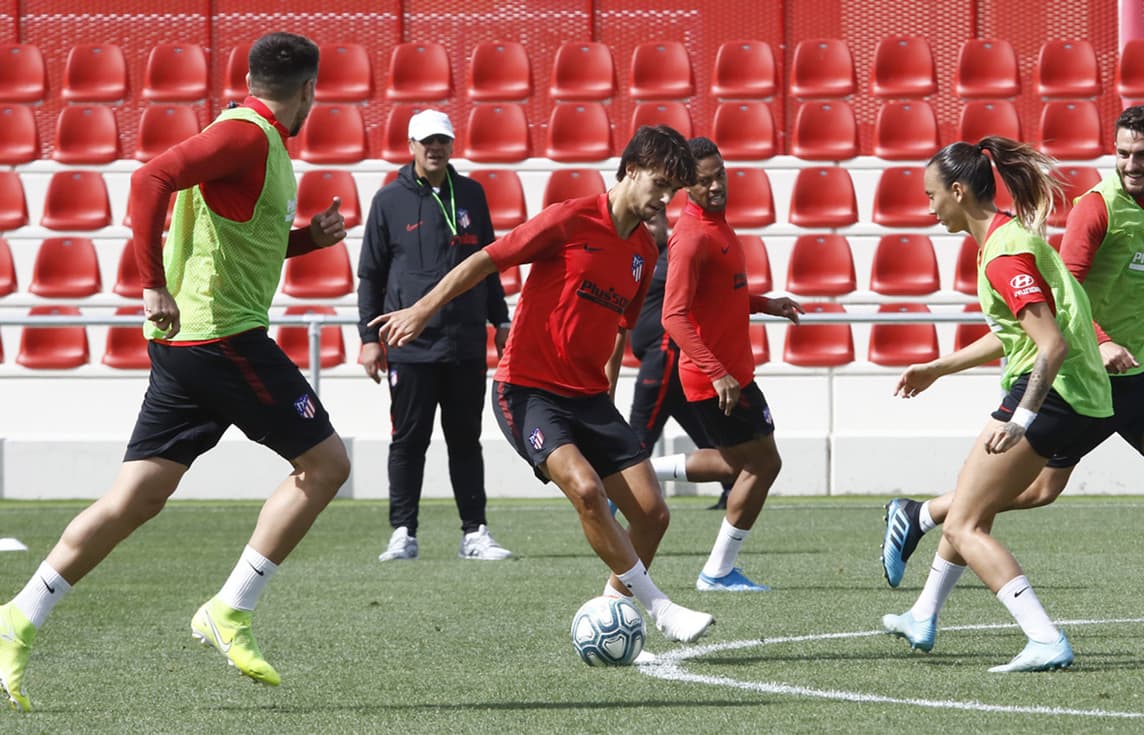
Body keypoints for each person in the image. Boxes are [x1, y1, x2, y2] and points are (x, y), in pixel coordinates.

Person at [0, 32, 350, 711]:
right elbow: (147, 178)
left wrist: (312, 239)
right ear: (308, 90)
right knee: (327, 463)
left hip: (194, 345)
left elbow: (242, 234)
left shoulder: (254, 141)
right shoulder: (249, 135)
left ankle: (17, 615)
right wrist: (150, 283)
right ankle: (231, 609)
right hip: (223, 340)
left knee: (135, 498)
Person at [880, 105, 1144, 636]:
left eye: (1141, 154)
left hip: (1131, 374)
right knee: (1013, 497)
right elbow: (1062, 297)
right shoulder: (1097, 208)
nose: (1130, 164)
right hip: (1084, 371)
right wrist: (1104, 340)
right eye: (1121, 153)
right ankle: (929, 534)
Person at [370, 125, 715, 644]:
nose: (666, 199)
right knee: (585, 488)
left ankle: (611, 614)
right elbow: (486, 259)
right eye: (661, 184)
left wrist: (609, 400)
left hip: (590, 398)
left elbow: (618, 334)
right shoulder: (571, 218)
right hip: (527, 390)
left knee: (653, 514)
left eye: (674, 192)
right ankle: (661, 608)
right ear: (631, 170)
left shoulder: (644, 252)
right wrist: (421, 309)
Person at [880, 136, 1114, 672]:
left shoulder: (1005, 255)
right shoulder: (1005, 239)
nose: (929, 207)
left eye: (931, 195)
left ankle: (1044, 638)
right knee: (969, 508)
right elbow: (1015, 334)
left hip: (1054, 393)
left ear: (959, 191)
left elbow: (1050, 345)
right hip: (1072, 394)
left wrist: (1022, 419)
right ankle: (922, 615)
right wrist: (938, 368)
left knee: (964, 526)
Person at [358, 109, 513, 563]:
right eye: (426, 141)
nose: (434, 148)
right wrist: (370, 337)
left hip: (465, 343)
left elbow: (488, 265)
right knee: (408, 441)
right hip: (409, 347)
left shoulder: (472, 194)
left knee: (466, 439)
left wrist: (499, 321)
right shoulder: (388, 201)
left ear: (452, 144)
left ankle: (475, 532)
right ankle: (403, 532)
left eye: (442, 140)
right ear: (410, 146)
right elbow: (370, 274)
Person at [648, 137, 802, 592]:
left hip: (733, 372)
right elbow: (672, 316)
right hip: (718, 378)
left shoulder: (717, 225)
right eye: (704, 180)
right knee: (763, 466)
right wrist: (716, 371)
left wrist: (766, 304)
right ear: (686, 187)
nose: (716, 185)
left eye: (720, 175)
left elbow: (722, 295)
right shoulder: (692, 237)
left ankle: (637, 468)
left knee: (739, 464)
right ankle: (717, 570)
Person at [627, 213, 734, 510]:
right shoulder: (644, 257)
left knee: (636, 438)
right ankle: (735, 484)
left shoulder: (669, 258)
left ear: (665, 223)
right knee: (706, 434)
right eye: (642, 223)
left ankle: (616, 499)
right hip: (666, 361)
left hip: (664, 359)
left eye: (652, 222)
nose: (647, 229)